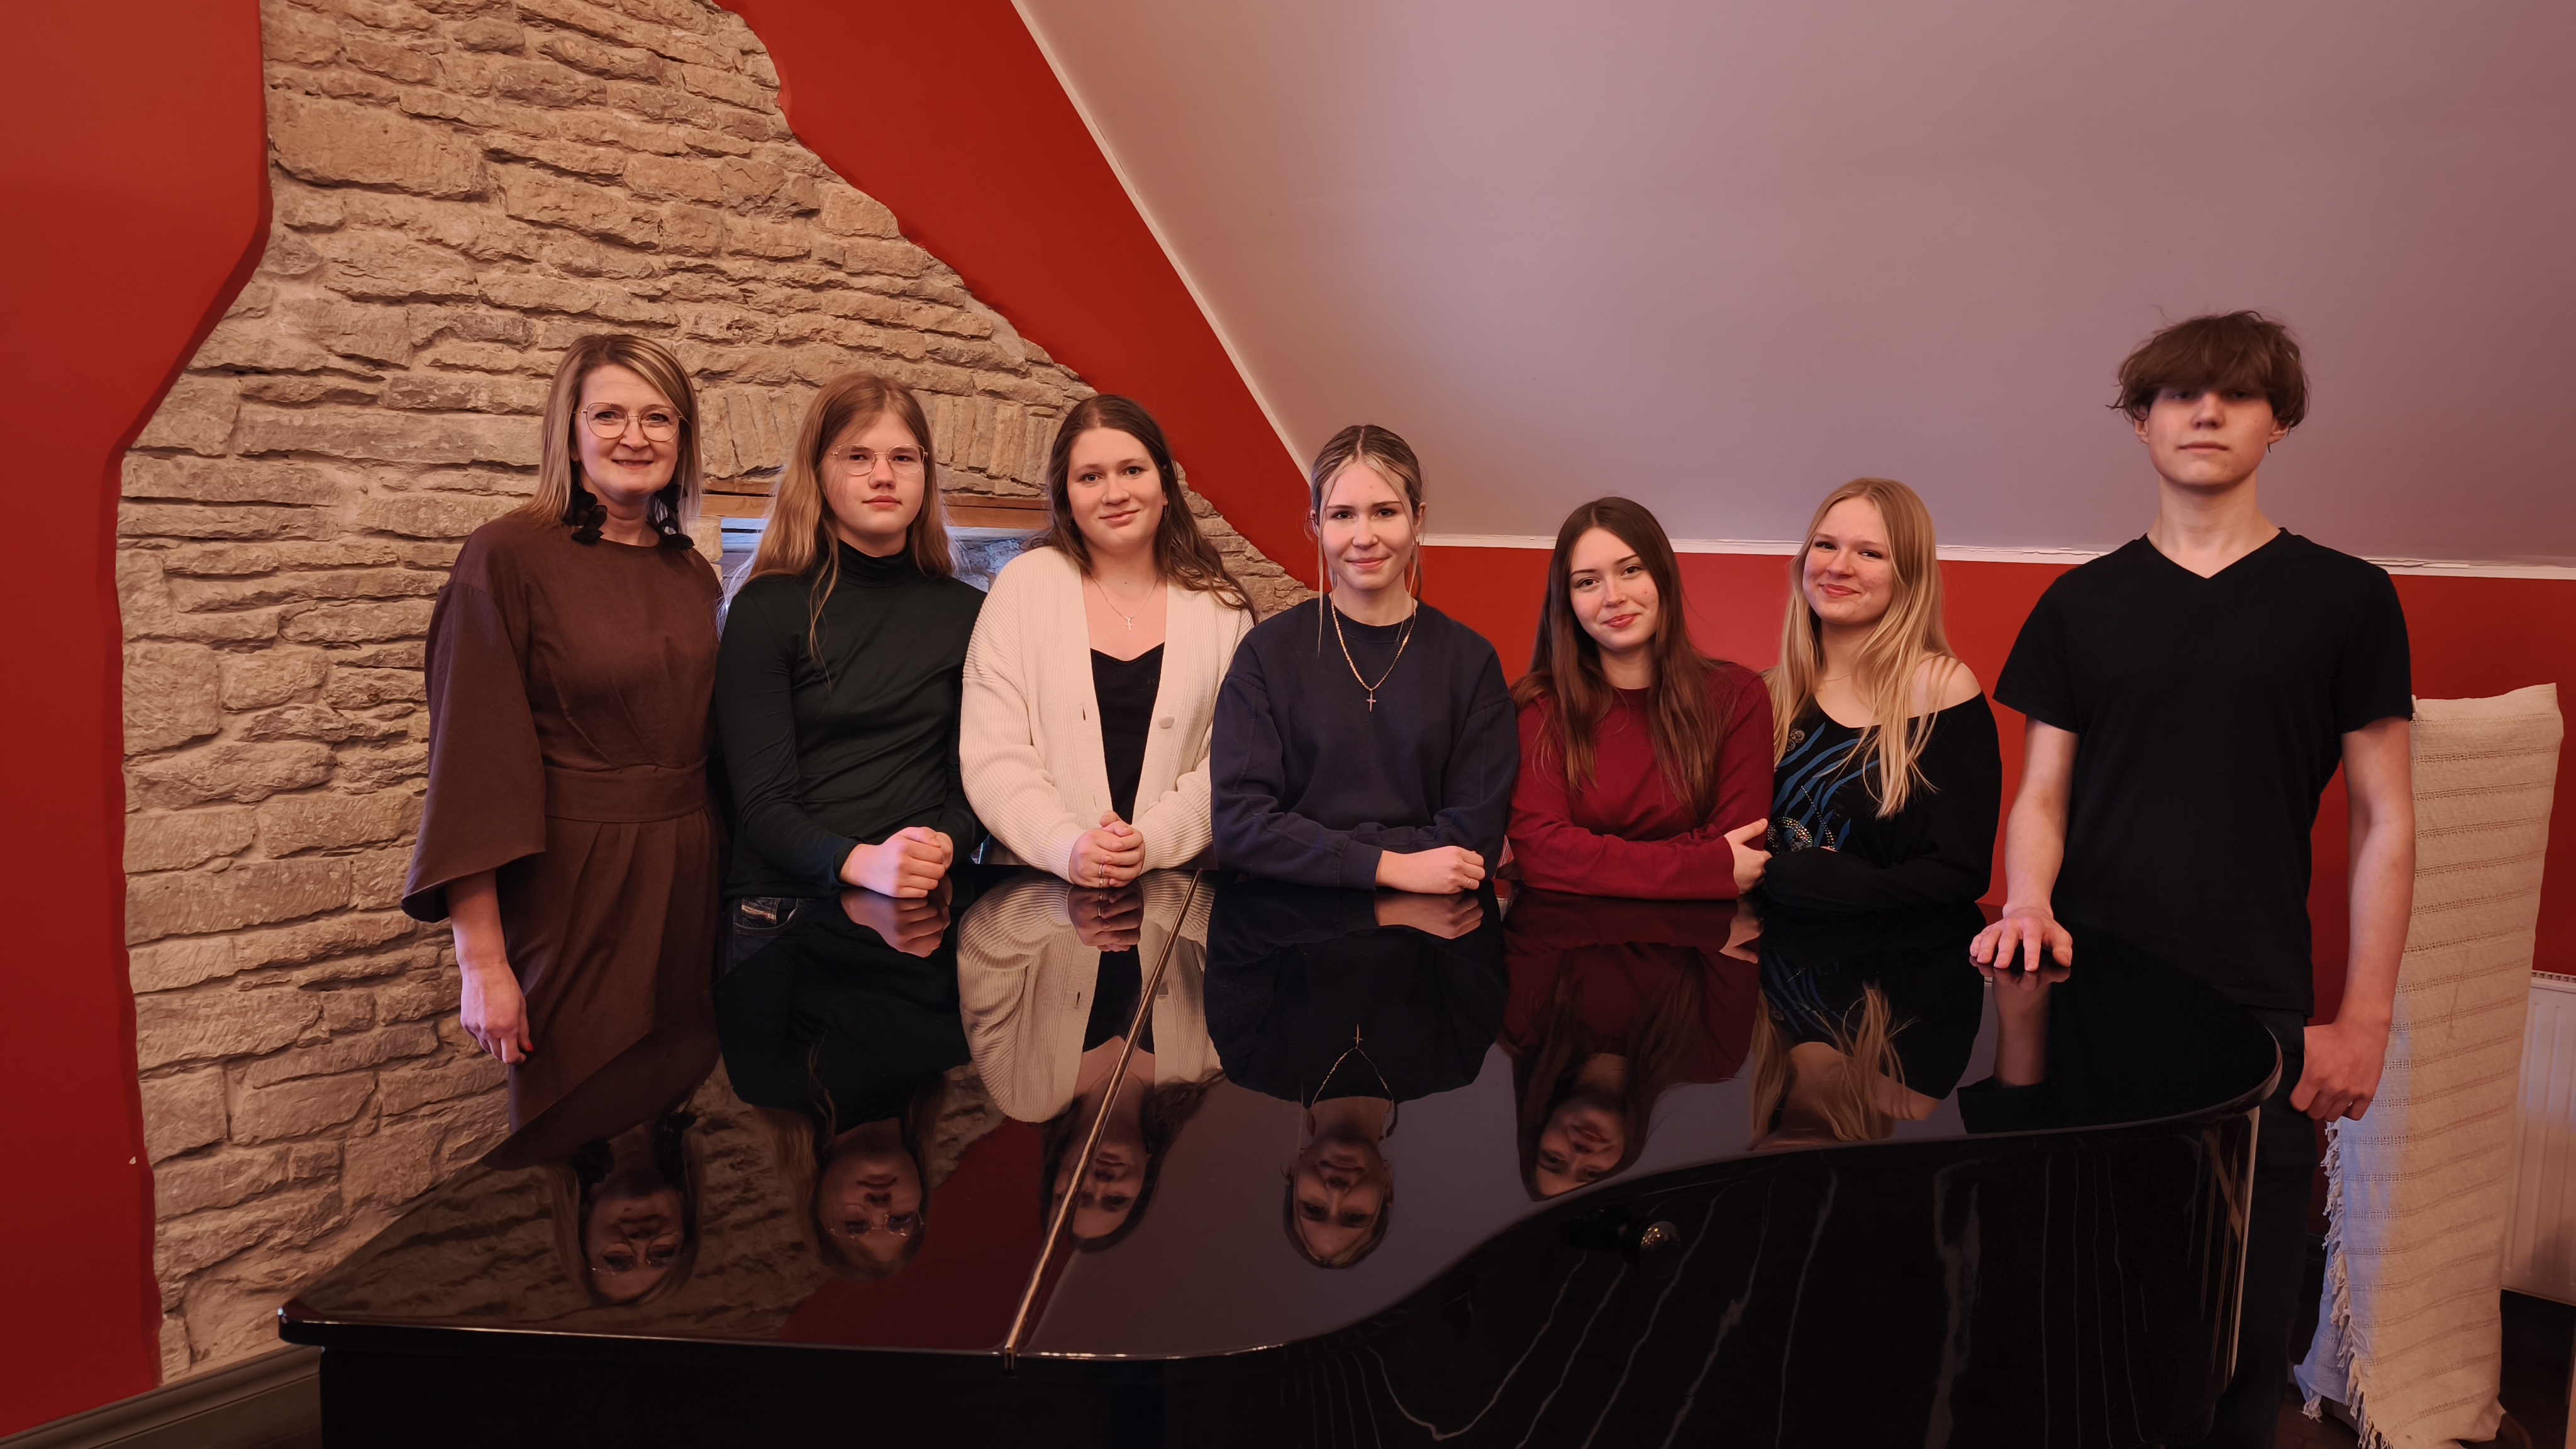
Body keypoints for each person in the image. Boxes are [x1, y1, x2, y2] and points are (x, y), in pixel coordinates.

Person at [1970, 311, 2414, 1449]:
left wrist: (2363, 1019)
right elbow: (2042, 795)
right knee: (2075, 1308)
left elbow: (2384, 817)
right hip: (2085, 1000)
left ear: (2277, 421)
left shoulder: (2348, 598)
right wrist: (2027, 902)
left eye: (2235, 394)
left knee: (2236, 1341)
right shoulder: (2079, 603)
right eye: (2178, 393)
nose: (2206, 412)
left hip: (2253, 1015)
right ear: (2141, 422)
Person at [402, 333, 723, 1144]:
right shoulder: (505, 557)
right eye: (608, 415)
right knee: (578, 1132)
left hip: (691, 890)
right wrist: (482, 963)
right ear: (568, 432)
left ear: (682, 438)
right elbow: (472, 773)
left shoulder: (691, 574)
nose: (635, 436)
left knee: (676, 1131)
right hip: (574, 895)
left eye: (658, 417)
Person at [962, 396, 1257, 889]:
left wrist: (1150, 843)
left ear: (1166, 486)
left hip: (1174, 894)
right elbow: (993, 754)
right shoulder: (1021, 587)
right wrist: (1066, 846)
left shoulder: (1222, 610)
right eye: (1090, 477)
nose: (1114, 493)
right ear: (1066, 498)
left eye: (1132, 470)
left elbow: (1231, 763)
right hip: (1034, 894)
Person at [717, 372, 983, 908]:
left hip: (926, 891)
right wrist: (862, 862)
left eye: (903, 458)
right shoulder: (766, 608)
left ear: (925, 473)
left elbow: (973, 779)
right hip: (789, 905)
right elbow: (761, 803)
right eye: (857, 457)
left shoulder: (969, 613)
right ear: (818, 472)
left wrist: (945, 844)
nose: (883, 476)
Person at [1213, 425, 1518, 892]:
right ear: (1316, 525)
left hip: (1432, 925)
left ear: (1417, 519)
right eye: (1342, 515)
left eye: (1385, 512)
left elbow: (1475, 839)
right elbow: (1240, 827)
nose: (1364, 537)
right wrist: (1387, 866)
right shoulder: (1265, 654)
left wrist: (1313, 847)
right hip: (1286, 922)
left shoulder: (1471, 663)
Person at [1205, 877, 1507, 1267]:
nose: (1335, 1192)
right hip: (1429, 849)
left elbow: (1241, 915)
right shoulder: (1453, 1060)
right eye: (1354, 1216)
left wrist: (1387, 907)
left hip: (1296, 851)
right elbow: (1473, 916)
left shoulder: (1251, 1061)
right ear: (1387, 1192)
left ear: (1293, 1175)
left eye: (1313, 1208)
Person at [1507, 497, 1774, 899]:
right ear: (1568, 602)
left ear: (1663, 574)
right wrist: (1703, 866)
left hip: (1704, 935)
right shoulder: (1539, 704)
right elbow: (1540, 853)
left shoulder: (1738, 694)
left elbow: (1743, 851)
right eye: (1587, 582)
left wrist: (1587, 860)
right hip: (1562, 933)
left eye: (1631, 570)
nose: (1613, 596)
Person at [1763, 478, 2001, 911]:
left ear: (1908, 575)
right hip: (1763, 948)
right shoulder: (1765, 694)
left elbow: (1959, 874)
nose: (1839, 567)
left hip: (1890, 951)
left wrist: (1805, 878)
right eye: (1825, 545)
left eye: (1869, 553)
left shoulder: (1942, 686)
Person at [955, 870, 1221, 1250]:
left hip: (1051, 856)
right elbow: (1238, 937)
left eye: (1073, 1197)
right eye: (1116, 1200)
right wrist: (1150, 897)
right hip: (1174, 855)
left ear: (1054, 1174)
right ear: (1146, 1177)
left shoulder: (1021, 1091)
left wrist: (1063, 907)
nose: (1099, 1183)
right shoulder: (1208, 1062)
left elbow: (983, 946)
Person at [719, 884, 974, 1282]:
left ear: (817, 1205)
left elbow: (754, 918)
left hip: (810, 868)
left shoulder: (769, 1080)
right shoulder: (958, 1047)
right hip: (931, 870)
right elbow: (987, 914)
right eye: (901, 1219)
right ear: (922, 1195)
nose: (880, 1207)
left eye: (854, 1225)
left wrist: (853, 906)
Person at [1501, 892, 1758, 1197]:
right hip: (1710, 870)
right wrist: (1702, 925)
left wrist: (1699, 928)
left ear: (1536, 1132)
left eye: (1554, 1159)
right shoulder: (1710, 1059)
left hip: (1587, 864)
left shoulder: (1527, 1030)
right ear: (1622, 1164)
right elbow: (1740, 919)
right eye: (1592, 1173)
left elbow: (1539, 918)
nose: (1580, 1154)